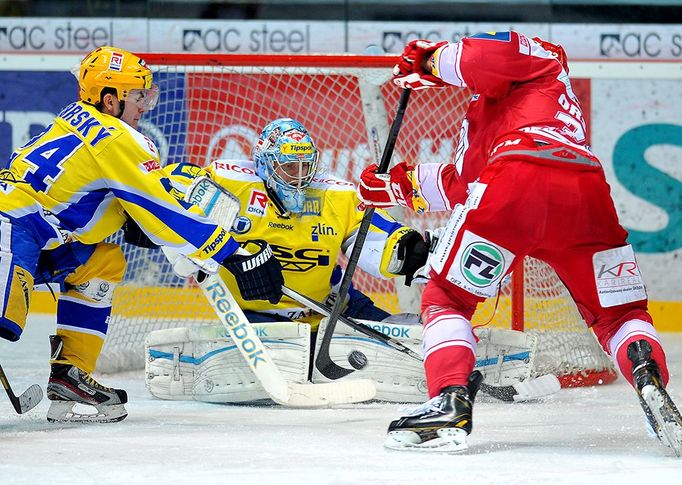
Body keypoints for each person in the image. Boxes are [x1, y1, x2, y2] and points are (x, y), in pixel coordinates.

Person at [358, 32, 682, 453]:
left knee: (447, 298)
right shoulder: (485, 115)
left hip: (515, 185)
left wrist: (431, 60)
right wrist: (397, 186)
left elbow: (484, 56)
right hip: (584, 193)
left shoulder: (545, 57)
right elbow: (462, 183)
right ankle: (647, 375)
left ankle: (449, 401)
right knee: (620, 314)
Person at [0, 46, 284, 423]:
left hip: (30, 235)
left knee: (101, 262)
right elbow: (158, 209)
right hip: (9, 228)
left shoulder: (76, 118)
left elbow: (96, 203)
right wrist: (229, 250)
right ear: (109, 99)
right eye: (137, 96)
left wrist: (133, 223)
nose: (144, 105)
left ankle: (70, 374)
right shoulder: (117, 137)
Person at [145, 117, 433, 403]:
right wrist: (158, 210)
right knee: (279, 362)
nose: (298, 176)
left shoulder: (336, 194)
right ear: (265, 164)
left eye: (305, 166)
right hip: (256, 316)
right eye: (289, 167)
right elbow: (169, 184)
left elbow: (375, 236)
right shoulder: (232, 182)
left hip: (333, 308)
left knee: (420, 340)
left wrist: (409, 251)